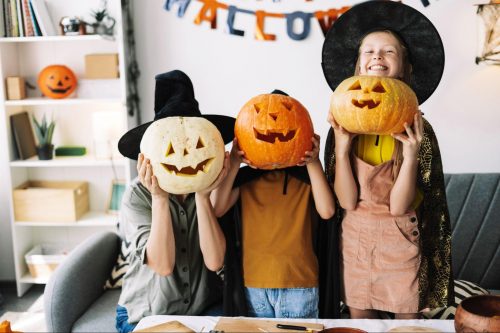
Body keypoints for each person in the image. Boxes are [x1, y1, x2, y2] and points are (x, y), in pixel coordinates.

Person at [321, 1, 454, 319]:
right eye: (368, 51)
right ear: (357, 66)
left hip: (401, 240)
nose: (377, 57)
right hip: (354, 239)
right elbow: (346, 201)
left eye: (388, 52)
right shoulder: (343, 126)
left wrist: (409, 156)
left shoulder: (418, 130)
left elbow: (400, 207)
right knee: (360, 320)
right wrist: (341, 149)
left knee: (408, 321)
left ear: (406, 68)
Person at [115, 70, 235, 333]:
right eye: (170, 148)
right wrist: (159, 198)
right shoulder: (137, 195)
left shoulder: (216, 186)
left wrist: (203, 196)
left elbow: (215, 262)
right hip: (147, 311)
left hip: (203, 308)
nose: (185, 156)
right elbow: (163, 264)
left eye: (196, 144)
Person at [211, 90, 336, 319]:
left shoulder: (306, 179)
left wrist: (314, 161)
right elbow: (217, 208)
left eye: (287, 113)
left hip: (300, 283)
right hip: (254, 285)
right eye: (260, 115)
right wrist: (236, 163)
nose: (275, 123)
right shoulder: (246, 181)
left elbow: (327, 211)